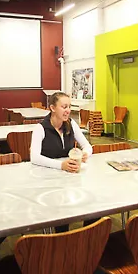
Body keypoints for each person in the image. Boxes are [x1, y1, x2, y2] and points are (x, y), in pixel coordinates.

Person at [30, 91, 92, 232]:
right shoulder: (40, 128)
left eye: (69, 106)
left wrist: (85, 154)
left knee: (90, 203)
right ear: (52, 108)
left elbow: (87, 146)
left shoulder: (71, 124)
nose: (68, 110)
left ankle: (87, 235)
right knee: (60, 210)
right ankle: (61, 237)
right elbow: (34, 157)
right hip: (47, 181)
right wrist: (61, 165)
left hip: (69, 178)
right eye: (64, 107)